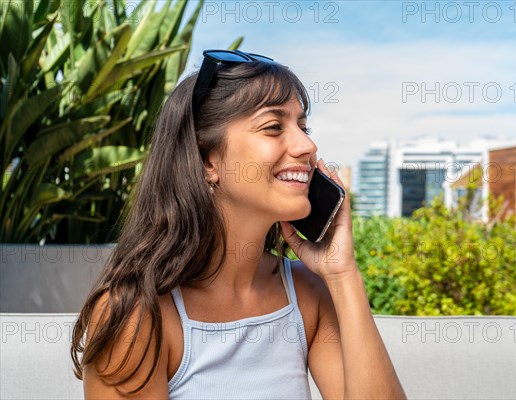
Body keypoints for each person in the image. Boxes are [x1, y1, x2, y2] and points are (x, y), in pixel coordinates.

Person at [71, 49, 407, 399]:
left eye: (303, 127)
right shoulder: (137, 316)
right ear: (206, 160)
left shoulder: (308, 295)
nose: (308, 145)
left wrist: (343, 276)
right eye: (274, 126)